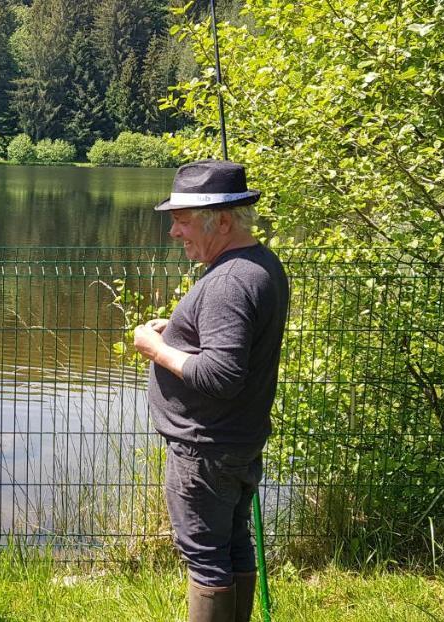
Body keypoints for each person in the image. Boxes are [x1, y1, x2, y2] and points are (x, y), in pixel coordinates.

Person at [132, 160, 290, 622]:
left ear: (222, 221)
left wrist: (156, 348)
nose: (174, 233)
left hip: (206, 447)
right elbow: (231, 343)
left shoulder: (227, 282)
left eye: (182, 221)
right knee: (233, 543)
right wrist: (180, 331)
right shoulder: (260, 265)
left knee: (204, 555)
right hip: (237, 440)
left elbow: (221, 374)